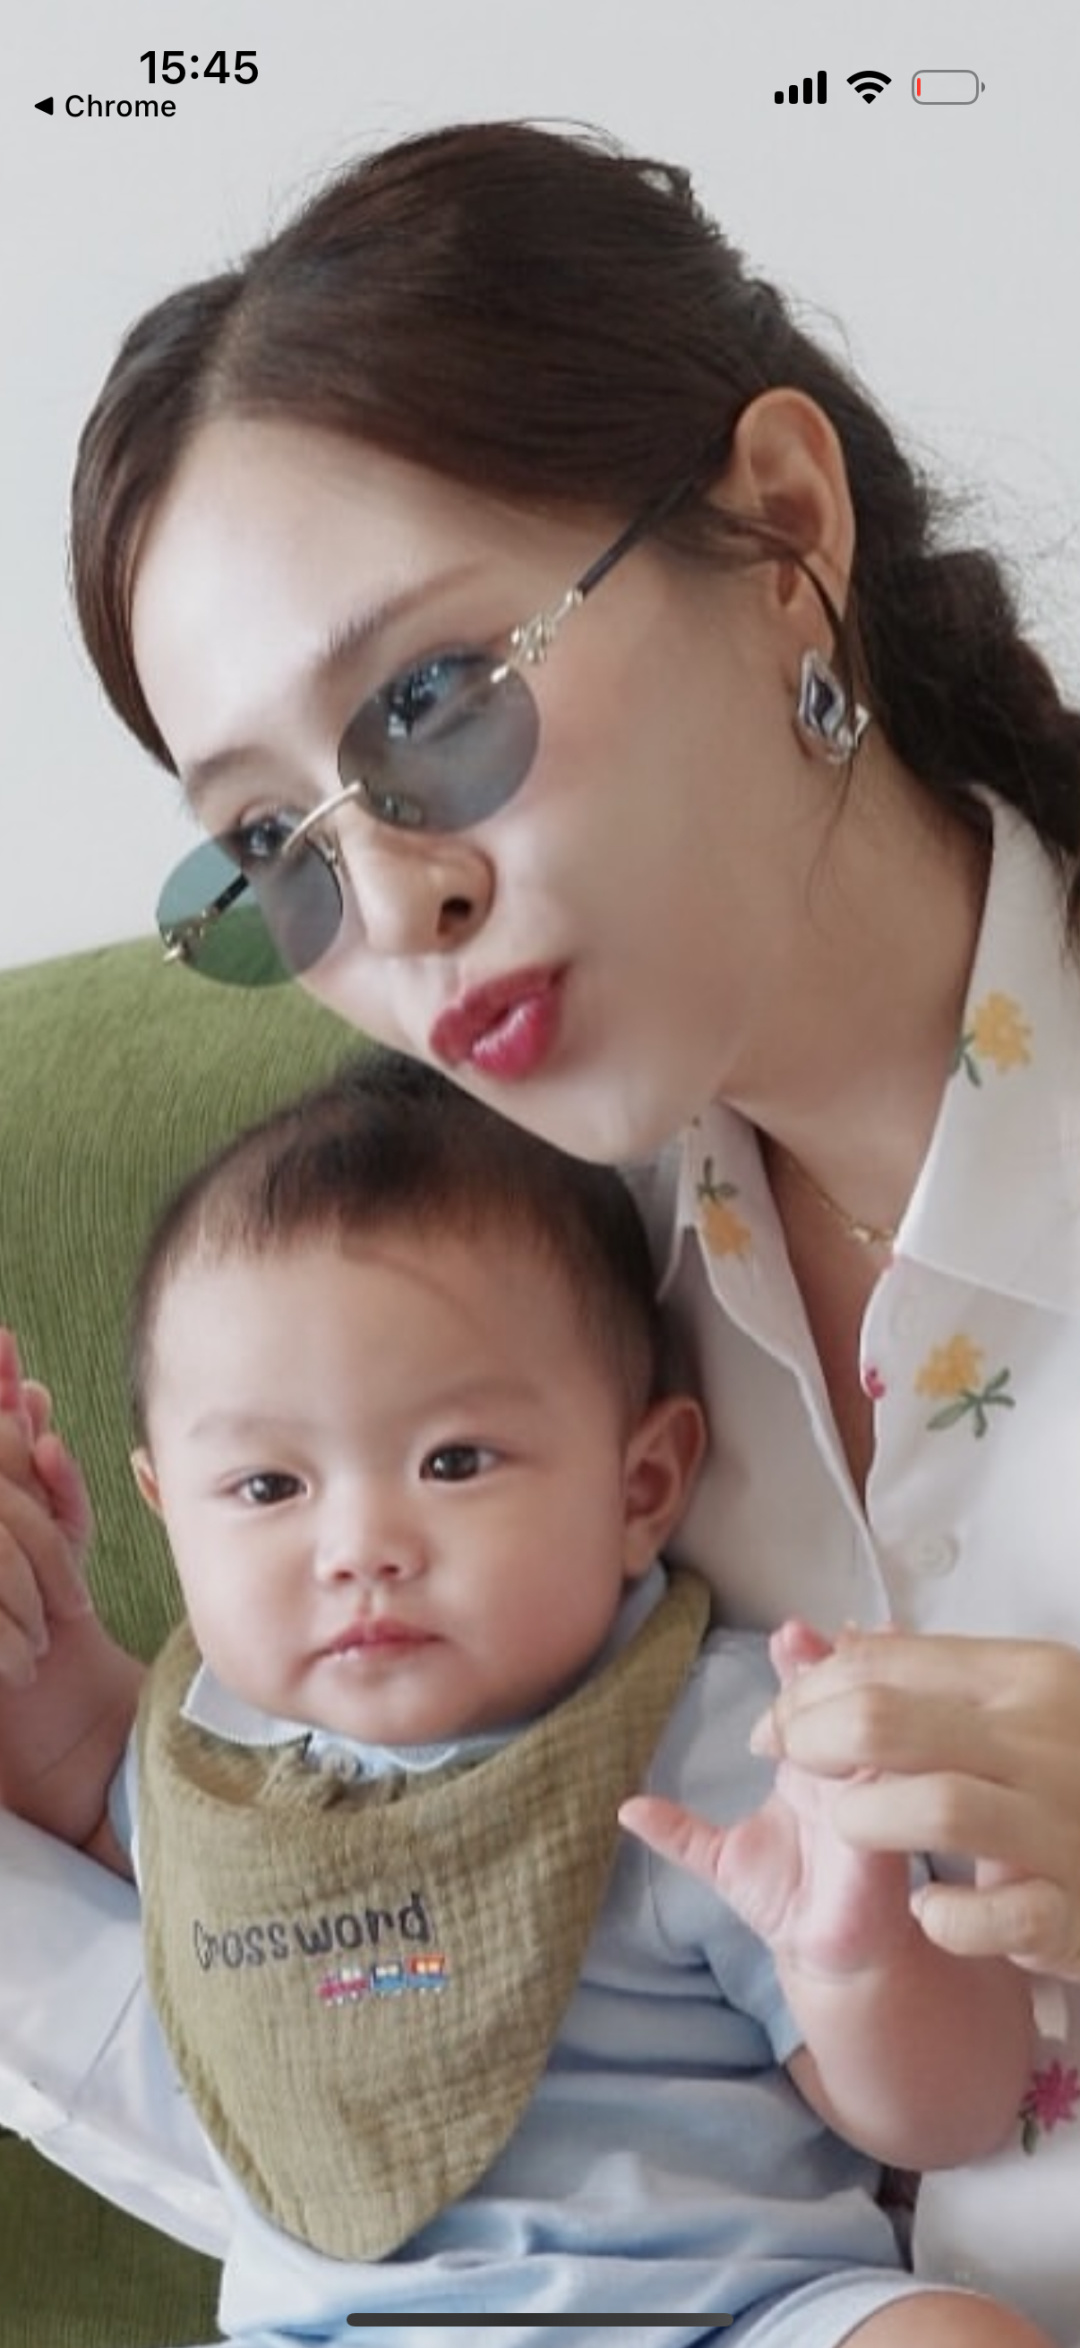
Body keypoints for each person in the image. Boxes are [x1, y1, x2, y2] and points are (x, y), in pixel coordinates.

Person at [1, 114, 1079, 2339]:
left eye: (431, 703)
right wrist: (64, 1765)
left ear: (779, 528)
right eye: (269, 852)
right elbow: (457, 2144)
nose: (394, 905)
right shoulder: (488, 1295)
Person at [0, 1054, 1056, 2348]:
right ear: (168, 1513)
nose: (360, 1548)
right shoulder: (213, 1758)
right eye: (269, 1489)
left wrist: (856, 1953)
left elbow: (951, 2114)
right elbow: (72, 1766)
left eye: (454, 1461)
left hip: (733, 2313)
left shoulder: (710, 1737)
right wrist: (33, 1599)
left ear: (642, 1487)